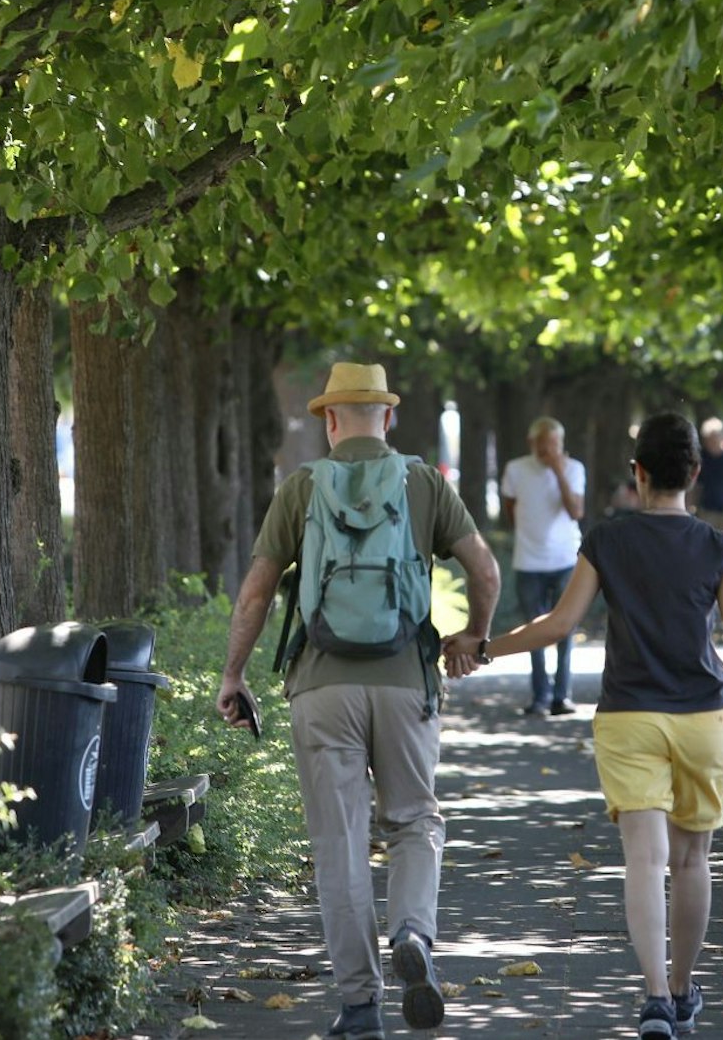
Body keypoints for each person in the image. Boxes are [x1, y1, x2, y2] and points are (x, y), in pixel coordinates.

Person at [446, 412, 723, 1040]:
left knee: (644, 860)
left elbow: (557, 625)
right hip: (704, 720)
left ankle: (655, 997)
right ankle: (684, 991)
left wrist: (482, 648)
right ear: (694, 472)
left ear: (636, 474)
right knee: (691, 862)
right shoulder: (722, 549)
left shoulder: (606, 541)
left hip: (628, 718)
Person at [218, 362, 501, 1040]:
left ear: (329, 419)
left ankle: (360, 1005)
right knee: (413, 821)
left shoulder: (301, 486)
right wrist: (474, 636)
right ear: (388, 416)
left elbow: (256, 592)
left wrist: (234, 674)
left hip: (321, 687)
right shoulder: (424, 481)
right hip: (406, 681)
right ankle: (413, 931)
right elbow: (485, 568)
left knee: (340, 843)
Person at [499, 416, 586, 716]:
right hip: (529, 561)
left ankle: (562, 695)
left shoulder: (574, 469)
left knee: (565, 628)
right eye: (544, 444)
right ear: (532, 443)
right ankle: (540, 696)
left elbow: (576, 511)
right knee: (533, 630)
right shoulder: (515, 469)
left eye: (555, 444)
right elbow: (510, 510)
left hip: (565, 559)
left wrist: (559, 472)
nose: (549, 451)